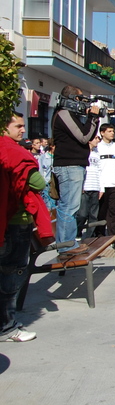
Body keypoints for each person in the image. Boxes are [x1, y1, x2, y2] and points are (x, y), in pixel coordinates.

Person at [1, 112, 53, 342]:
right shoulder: (13, 151)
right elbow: (38, 182)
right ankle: (7, 326)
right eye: (18, 126)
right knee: (11, 274)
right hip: (15, 222)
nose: (23, 130)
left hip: (10, 219)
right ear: (4, 127)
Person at [52, 85, 101, 257]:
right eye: (80, 99)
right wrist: (93, 117)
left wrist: (93, 119)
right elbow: (84, 137)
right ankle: (66, 246)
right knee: (69, 207)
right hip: (69, 166)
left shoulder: (69, 115)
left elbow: (86, 135)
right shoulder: (64, 114)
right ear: (73, 100)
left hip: (74, 165)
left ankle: (68, 242)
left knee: (72, 206)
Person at [96, 123, 115, 238]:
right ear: (102, 133)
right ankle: (99, 234)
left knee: (114, 211)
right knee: (101, 211)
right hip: (101, 184)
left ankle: (113, 235)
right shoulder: (97, 148)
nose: (112, 133)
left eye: (113, 131)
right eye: (109, 131)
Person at [77, 134, 102, 240]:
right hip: (85, 187)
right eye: (96, 138)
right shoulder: (81, 153)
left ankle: (89, 236)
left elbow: (100, 171)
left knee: (93, 215)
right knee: (82, 213)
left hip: (95, 186)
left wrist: (102, 188)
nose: (98, 140)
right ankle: (77, 232)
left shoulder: (97, 153)